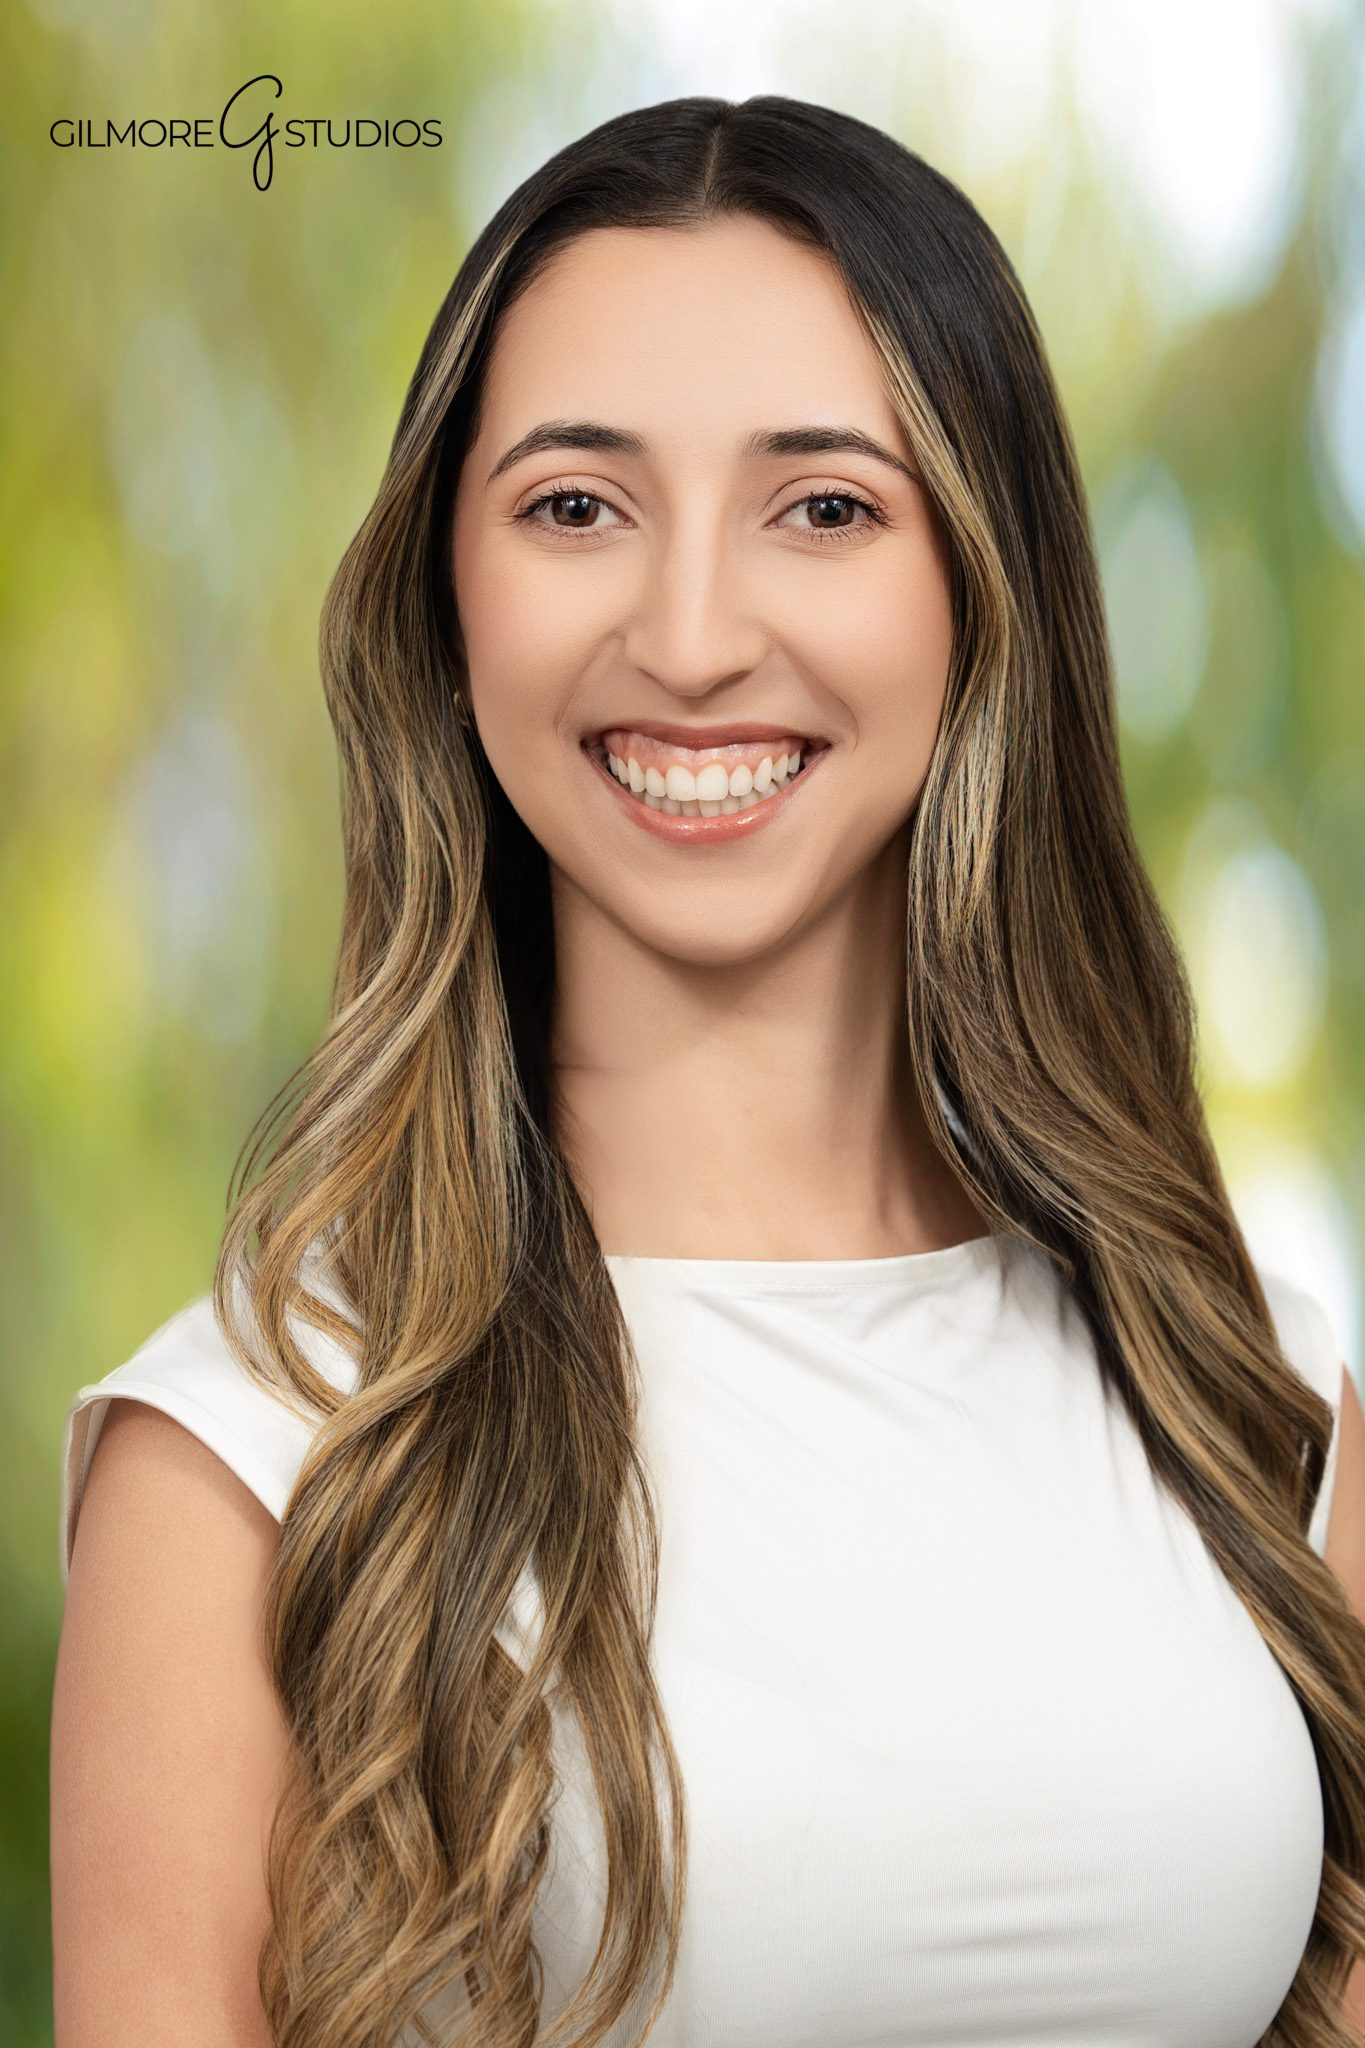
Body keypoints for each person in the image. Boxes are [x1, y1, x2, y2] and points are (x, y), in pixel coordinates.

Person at [50, 95, 1365, 2048]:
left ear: (977, 587)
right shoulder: (250, 1459)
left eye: (819, 505)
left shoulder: (1253, 1402)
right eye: (575, 505)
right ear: (446, 593)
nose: (684, 637)